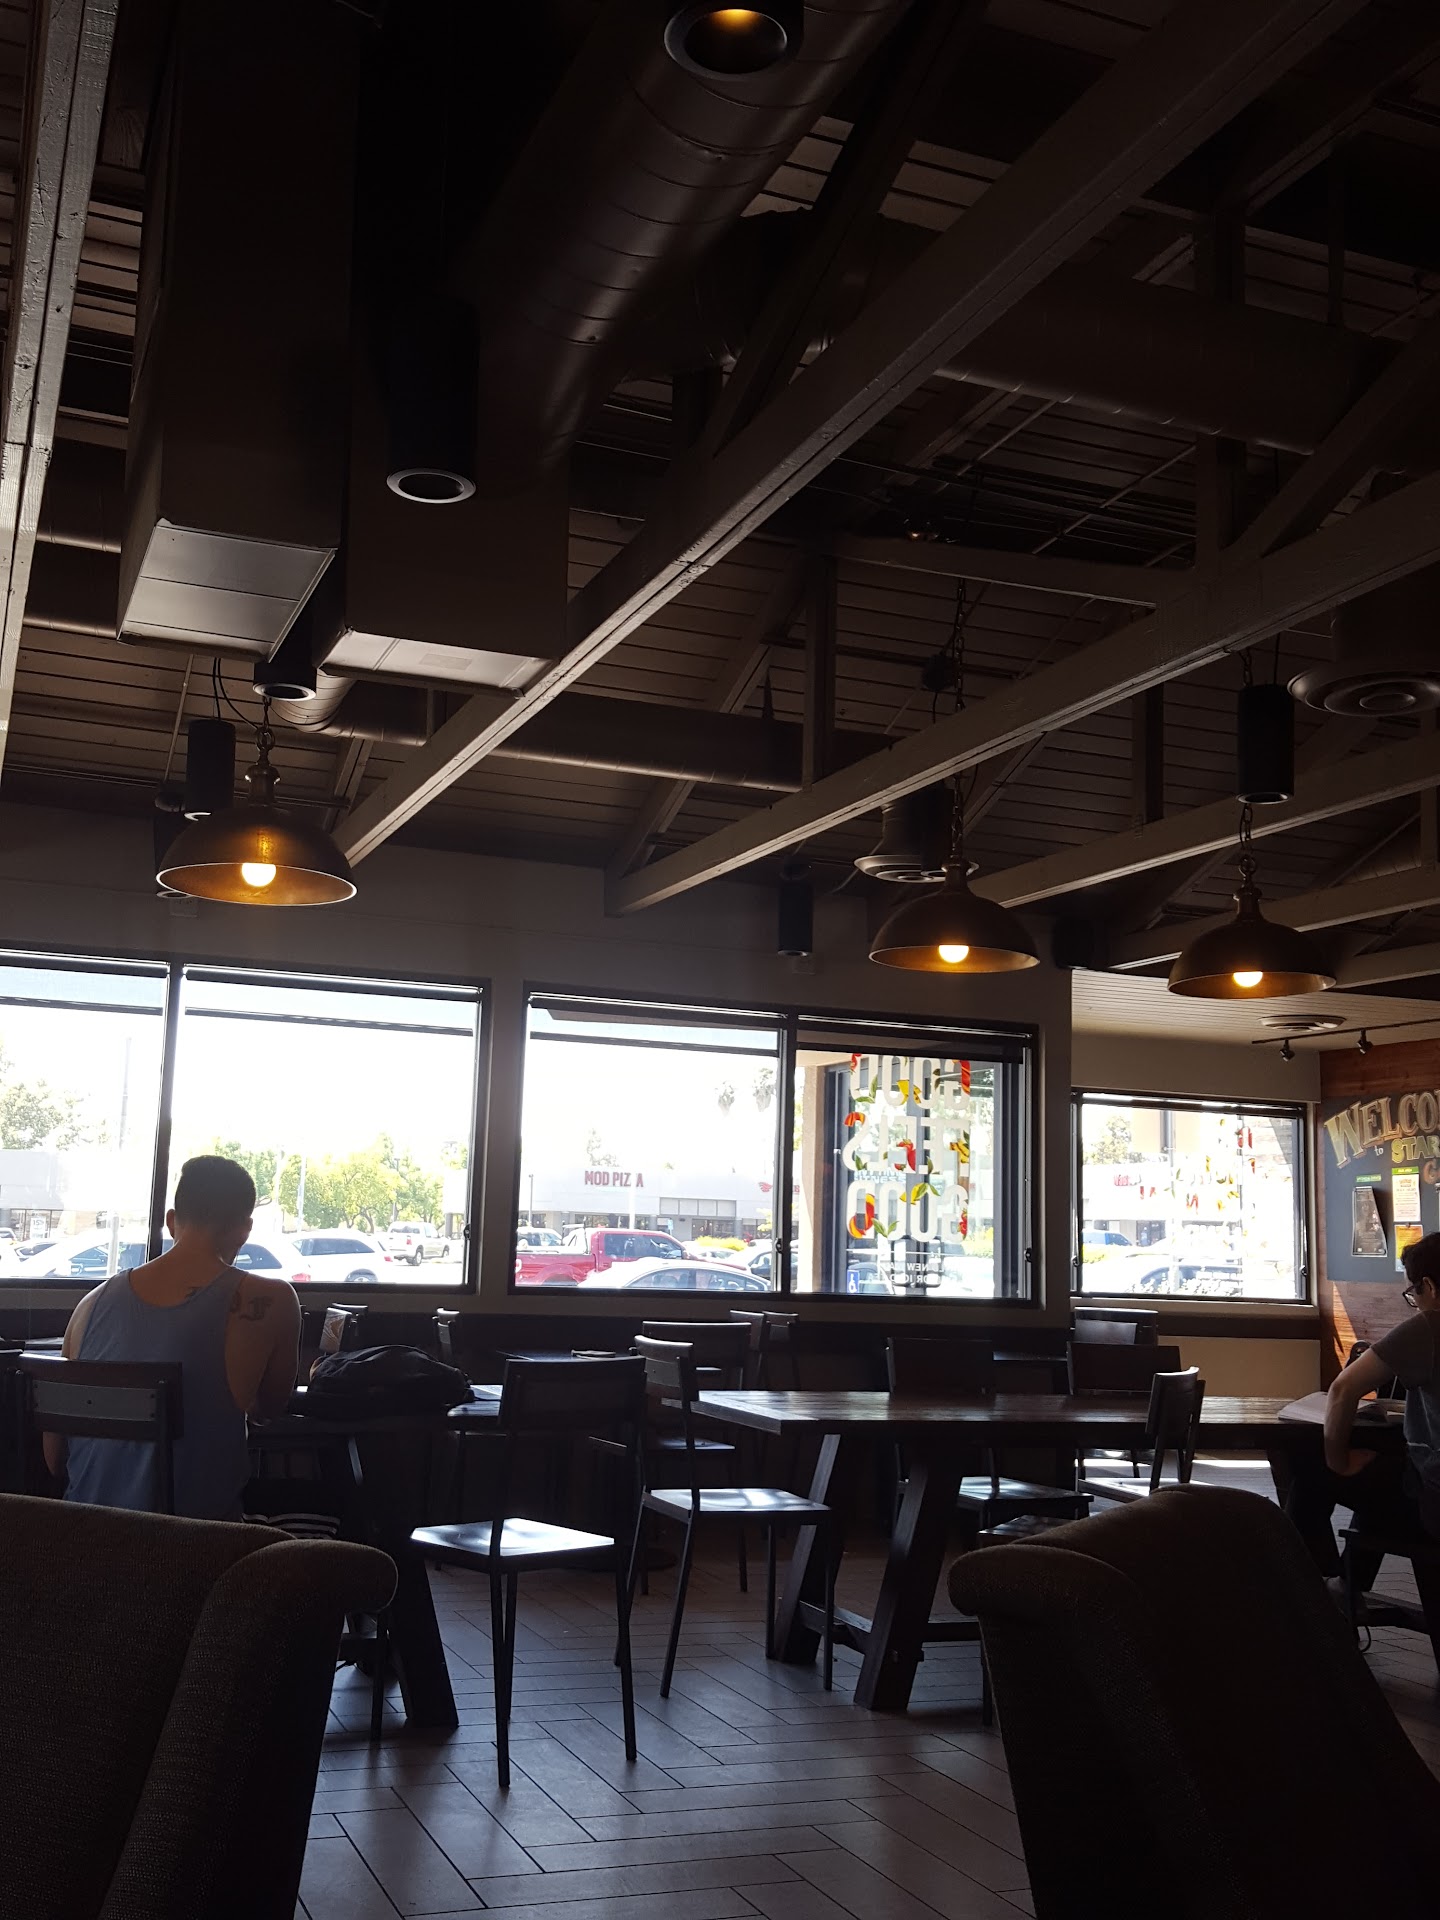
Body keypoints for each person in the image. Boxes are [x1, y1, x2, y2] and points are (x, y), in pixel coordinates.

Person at [48, 1155, 301, 1520]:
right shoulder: (271, 1301)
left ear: (170, 1221)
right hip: (197, 1544)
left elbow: (55, 1460)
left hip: (87, 1538)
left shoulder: (90, 1304)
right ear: (245, 1229)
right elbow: (269, 1410)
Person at [1302, 1231, 1440, 1644]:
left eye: (1414, 1293)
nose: (1416, 1302)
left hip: (1434, 1506)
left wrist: (1338, 1461)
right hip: (1420, 1488)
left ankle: (1309, 1599)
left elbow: (1343, 1390)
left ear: (1429, 1286)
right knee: (1383, 1476)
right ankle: (1348, 1583)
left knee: (1313, 1475)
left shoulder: (1431, 1326)